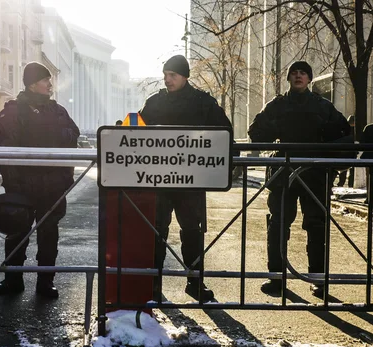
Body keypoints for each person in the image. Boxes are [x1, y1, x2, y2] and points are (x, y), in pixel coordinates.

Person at [248, 61, 351, 298]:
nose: (298, 76)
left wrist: (326, 152)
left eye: (303, 73)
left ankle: (318, 279)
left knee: (316, 226)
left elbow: (343, 134)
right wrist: (277, 128)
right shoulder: (277, 105)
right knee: (278, 225)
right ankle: (276, 278)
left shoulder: (322, 106)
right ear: (289, 78)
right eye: (293, 72)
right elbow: (256, 131)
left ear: (309, 78)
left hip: (315, 173)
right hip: (284, 173)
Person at [138, 55, 232, 302]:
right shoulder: (155, 102)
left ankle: (195, 281)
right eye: (165, 75)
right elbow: (135, 130)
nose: (167, 80)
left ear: (185, 77)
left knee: (192, 230)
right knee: (157, 230)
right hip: (160, 179)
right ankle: (153, 283)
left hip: (192, 180)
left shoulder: (203, 103)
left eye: (173, 75)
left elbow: (225, 133)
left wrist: (230, 161)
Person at [0, 62, 80, 299]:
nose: (50, 84)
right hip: (21, 185)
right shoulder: (13, 111)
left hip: (52, 186)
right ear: (32, 84)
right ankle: (12, 280)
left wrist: (51, 135)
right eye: (45, 80)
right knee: (16, 232)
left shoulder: (57, 111)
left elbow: (73, 136)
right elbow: (5, 144)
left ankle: (45, 282)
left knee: (49, 234)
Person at [335, 115, 355, 187]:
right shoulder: (354, 130)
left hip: (345, 152)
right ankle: (349, 184)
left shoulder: (344, 128)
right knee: (350, 169)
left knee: (344, 171)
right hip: (349, 152)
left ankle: (341, 183)